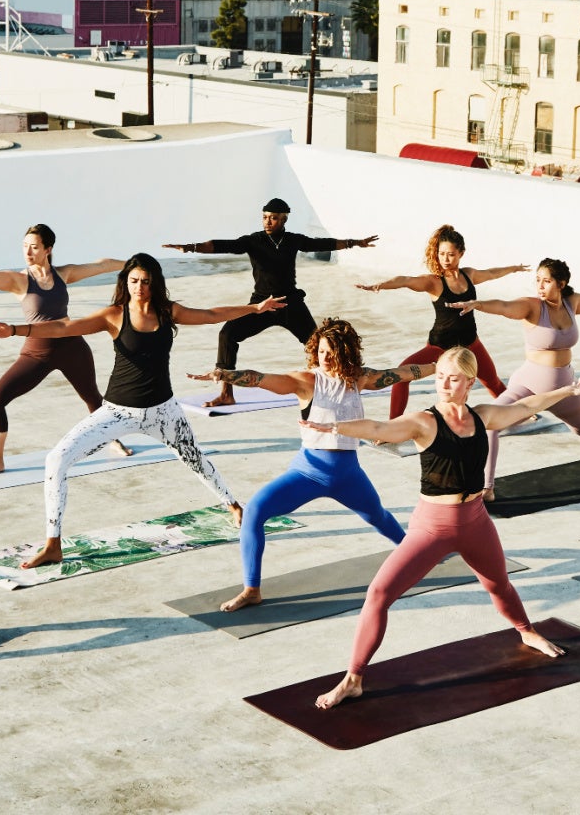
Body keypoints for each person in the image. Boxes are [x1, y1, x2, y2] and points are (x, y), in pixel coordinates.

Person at [301, 347, 580, 710]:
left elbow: (527, 407)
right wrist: (334, 427)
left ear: (469, 382)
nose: (444, 384)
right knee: (379, 594)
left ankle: (527, 632)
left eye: (452, 378)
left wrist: (568, 391)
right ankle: (353, 678)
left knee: (498, 584)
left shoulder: (483, 416)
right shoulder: (424, 421)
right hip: (432, 527)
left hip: (476, 520)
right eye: (439, 377)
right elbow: (379, 429)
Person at [0, 254, 281, 569]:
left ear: (156, 284)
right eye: (134, 280)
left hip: (164, 411)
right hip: (117, 412)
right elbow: (64, 327)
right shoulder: (114, 315)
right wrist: (15, 330)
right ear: (126, 282)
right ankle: (53, 544)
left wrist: (255, 308)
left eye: (146, 281)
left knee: (195, 459)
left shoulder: (169, 312)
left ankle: (234, 505)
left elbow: (210, 314)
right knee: (55, 459)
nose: (139, 287)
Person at [187, 318, 433, 612]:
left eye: (332, 352)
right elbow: (261, 378)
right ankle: (252, 589)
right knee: (254, 512)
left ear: (346, 352)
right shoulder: (307, 381)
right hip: (307, 473)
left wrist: (439, 367)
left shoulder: (359, 379)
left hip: (348, 476)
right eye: (321, 351)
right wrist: (226, 374)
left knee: (378, 517)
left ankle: (417, 557)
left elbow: (401, 373)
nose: (325, 358)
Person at [0, 224, 124, 475]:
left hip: (72, 345)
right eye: (24, 247)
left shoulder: (63, 275)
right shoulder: (20, 281)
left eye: (34, 247)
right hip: (37, 351)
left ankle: (112, 438)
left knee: (91, 397)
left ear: (48, 249)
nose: (28, 252)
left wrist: (134, 263)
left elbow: (102, 265)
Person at [163, 198, 377, 407]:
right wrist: (191, 247)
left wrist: (354, 243)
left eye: (273, 218)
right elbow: (222, 245)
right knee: (227, 335)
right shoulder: (253, 240)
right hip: (262, 305)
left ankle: (336, 383)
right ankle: (226, 393)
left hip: (290, 304)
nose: (267, 221)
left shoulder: (292, 240)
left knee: (318, 345)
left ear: (283, 220)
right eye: (265, 217)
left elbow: (320, 243)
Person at [446, 258, 580, 485]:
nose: (540, 286)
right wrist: (479, 305)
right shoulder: (533, 306)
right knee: (490, 422)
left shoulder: (571, 303)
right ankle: (487, 486)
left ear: (561, 283)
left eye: (546, 281)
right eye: (537, 280)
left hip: (566, 387)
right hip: (528, 385)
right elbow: (505, 307)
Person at [355, 224, 520, 417]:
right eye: (441, 254)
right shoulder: (434, 282)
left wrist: (514, 268)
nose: (445, 259)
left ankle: (517, 413)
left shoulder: (470, 274)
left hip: (470, 344)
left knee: (491, 381)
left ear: (461, 253)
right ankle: (394, 423)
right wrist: (380, 285)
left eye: (450, 254)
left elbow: (492, 273)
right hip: (440, 347)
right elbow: (406, 280)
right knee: (401, 376)